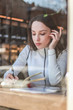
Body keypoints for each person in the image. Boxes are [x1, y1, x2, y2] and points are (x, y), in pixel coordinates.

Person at [4, 14, 67, 86]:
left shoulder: (63, 53)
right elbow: (11, 71)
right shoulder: (28, 50)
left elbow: (55, 81)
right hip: (33, 95)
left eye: (42, 34)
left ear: (53, 33)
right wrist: (9, 76)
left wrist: (51, 49)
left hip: (55, 97)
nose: (37, 39)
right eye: (33, 34)